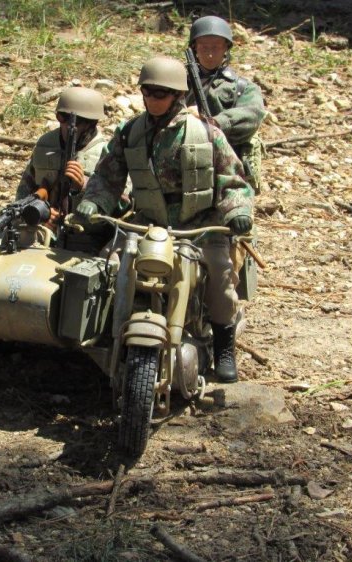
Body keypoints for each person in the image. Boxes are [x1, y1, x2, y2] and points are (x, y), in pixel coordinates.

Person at [76, 56, 254, 383]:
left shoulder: (206, 132)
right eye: (148, 91)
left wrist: (238, 211)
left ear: (177, 95)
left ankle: (223, 345)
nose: (153, 99)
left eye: (161, 93)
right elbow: (107, 176)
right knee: (109, 263)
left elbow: (233, 180)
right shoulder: (130, 132)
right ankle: (106, 333)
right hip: (148, 223)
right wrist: (93, 201)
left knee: (219, 271)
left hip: (201, 225)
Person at [186, 15, 266, 192]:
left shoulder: (242, 87)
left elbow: (253, 114)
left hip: (227, 166)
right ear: (194, 48)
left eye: (216, 47)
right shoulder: (181, 83)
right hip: (187, 162)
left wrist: (214, 123)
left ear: (226, 49)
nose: (209, 54)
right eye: (204, 47)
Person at [15, 86, 108, 224]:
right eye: (62, 117)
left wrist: (84, 186)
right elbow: (24, 193)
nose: (67, 125)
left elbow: (120, 205)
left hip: (85, 229)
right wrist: (39, 213)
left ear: (91, 123)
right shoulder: (46, 145)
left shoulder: (105, 153)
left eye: (76, 121)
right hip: (45, 226)